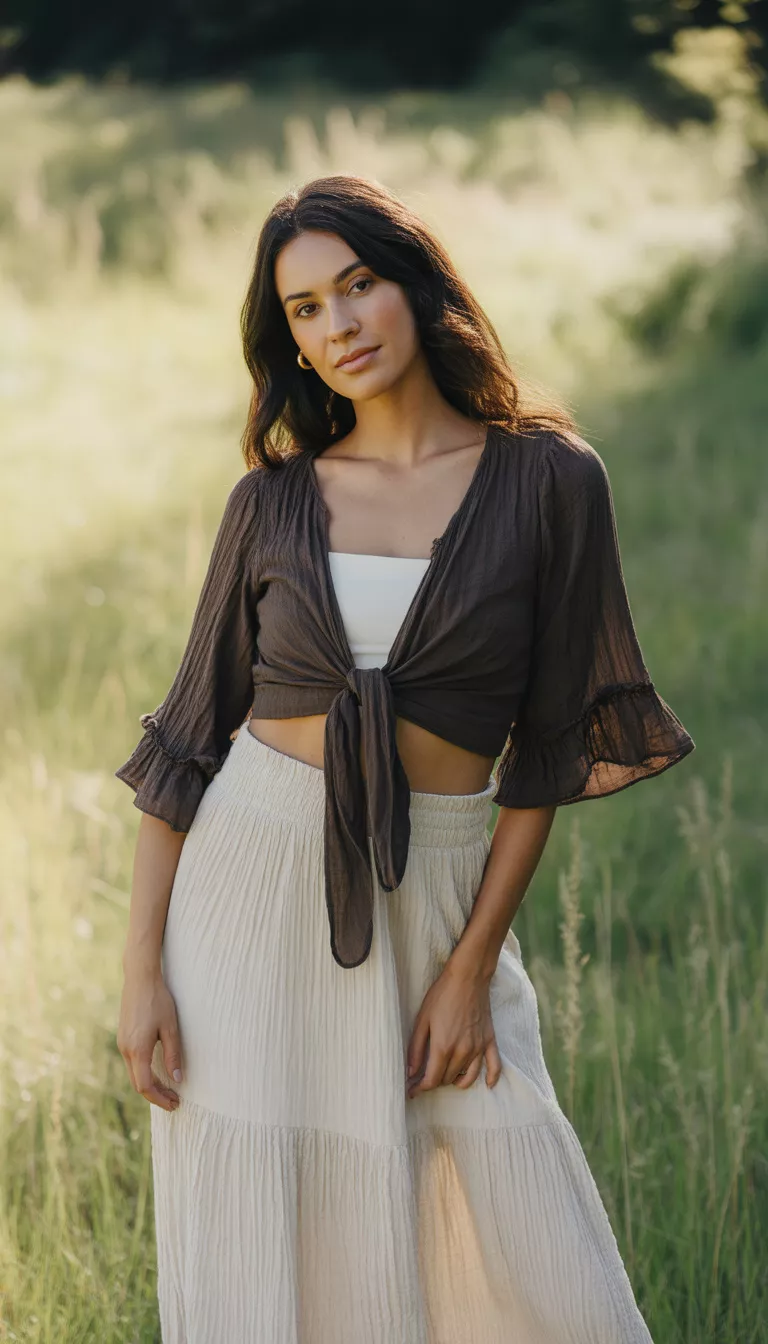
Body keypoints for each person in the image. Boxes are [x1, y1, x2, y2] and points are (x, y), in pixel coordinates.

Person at [115, 173, 695, 1344]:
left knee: (534, 1243)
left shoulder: (551, 481)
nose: (339, 325)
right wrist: (140, 974)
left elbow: (547, 754)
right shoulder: (272, 502)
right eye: (306, 309)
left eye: (358, 285)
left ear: (417, 286)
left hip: (436, 892)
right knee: (274, 1254)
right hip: (248, 893)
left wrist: (472, 967)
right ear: (290, 340)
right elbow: (186, 744)